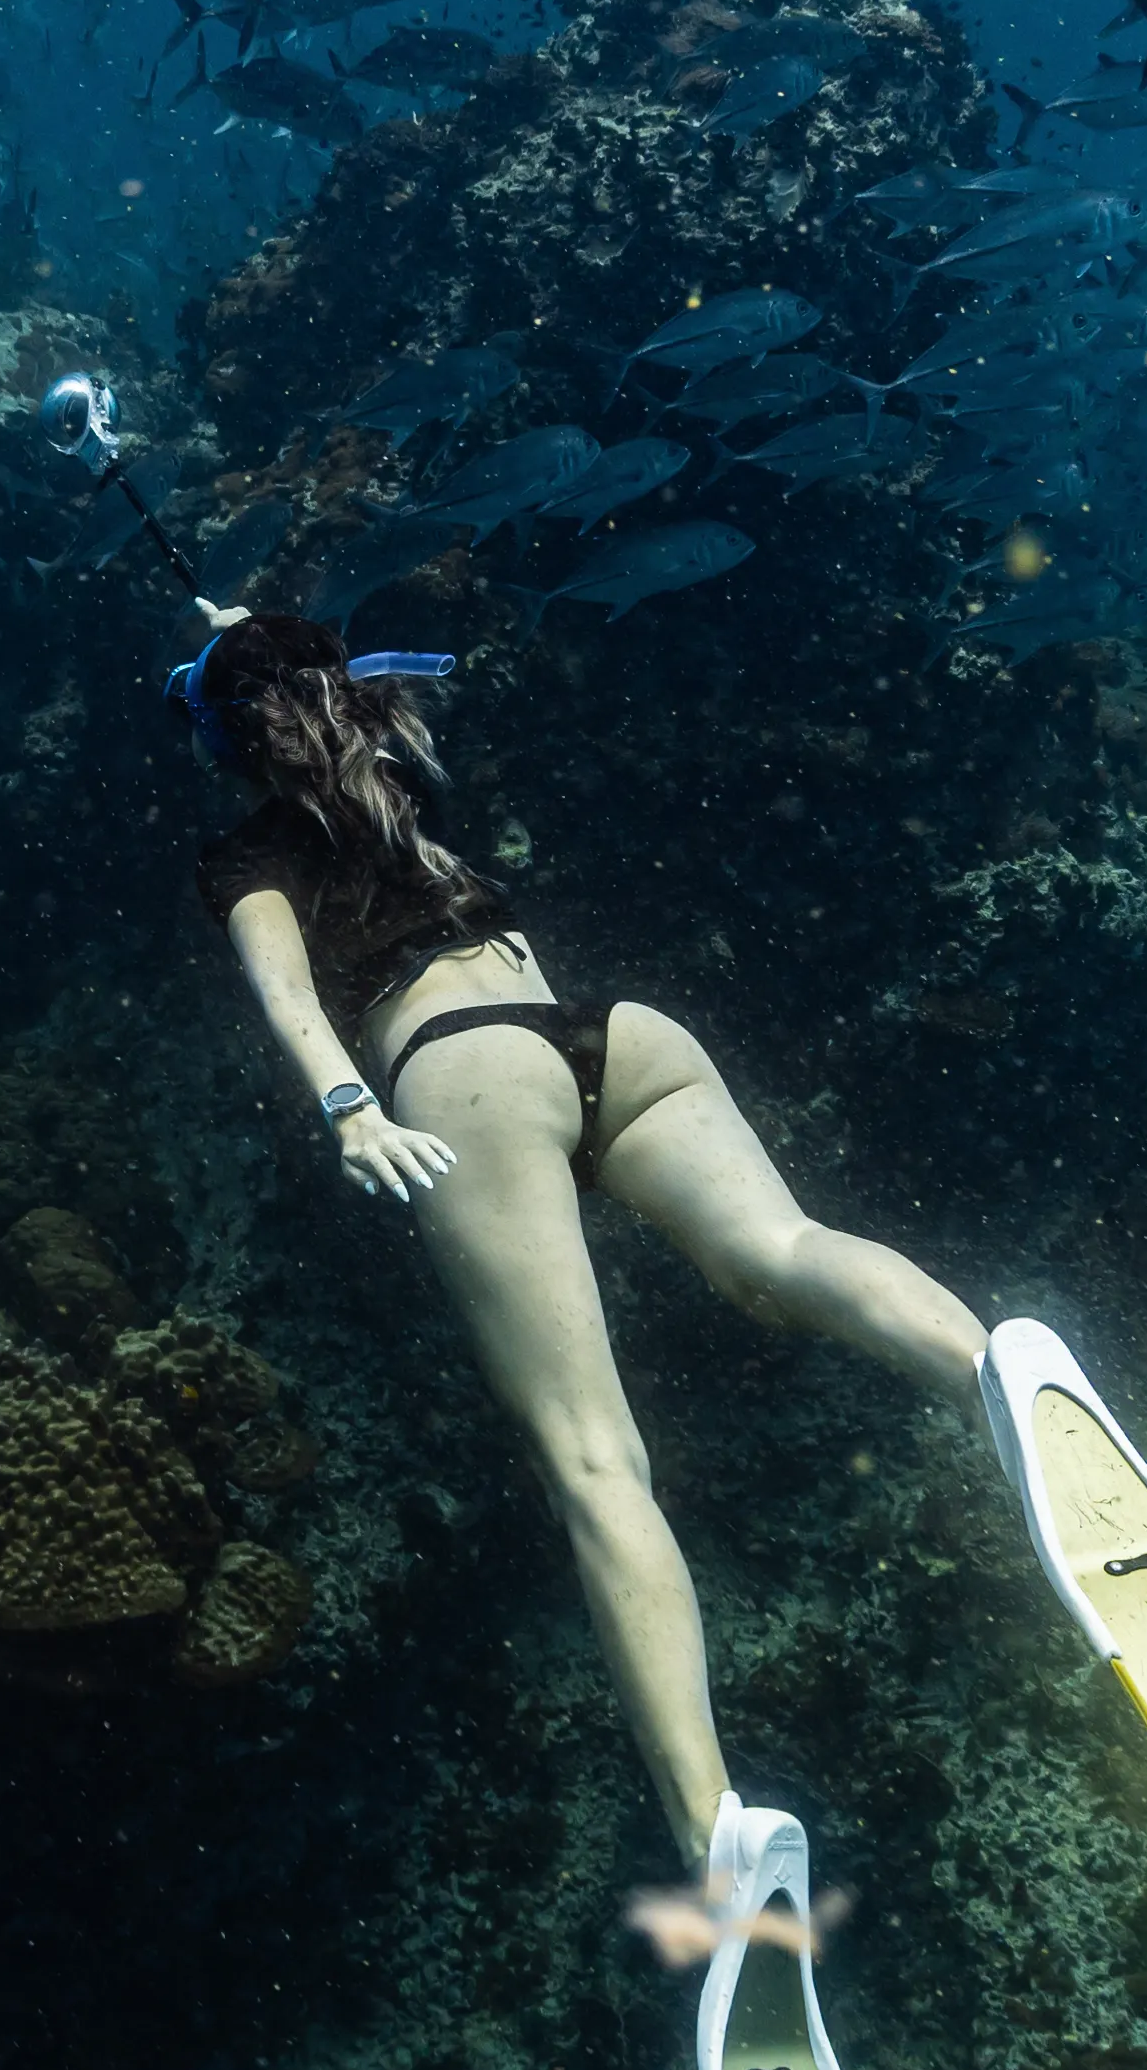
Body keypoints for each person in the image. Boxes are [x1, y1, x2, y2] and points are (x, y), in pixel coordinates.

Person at [182, 607, 990, 1966]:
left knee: (594, 1459)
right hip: (606, 1034)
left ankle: (715, 1837)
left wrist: (346, 1110)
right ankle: (1001, 1377)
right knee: (783, 1254)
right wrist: (246, 630)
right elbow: (318, 669)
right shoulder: (401, 765)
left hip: (458, 1072)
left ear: (228, 740)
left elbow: (288, 996)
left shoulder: (253, 851)